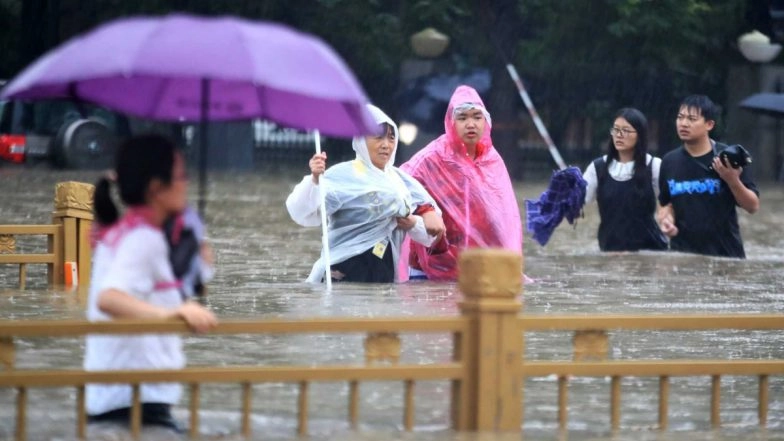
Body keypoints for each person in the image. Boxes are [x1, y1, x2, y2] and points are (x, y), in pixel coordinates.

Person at [85, 134, 218, 432]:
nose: (186, 183)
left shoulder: (131, 232)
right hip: (133, 403)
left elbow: (183, 283)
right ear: (157, 187)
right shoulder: (143, 240)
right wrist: (171, 314)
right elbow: (109, 298)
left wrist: (198, 243)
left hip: (127, 396)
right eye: (181, 176)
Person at [286, 104, 445, 283]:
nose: (386, 145)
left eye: (391, 138)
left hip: (383, 268)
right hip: (344, 268)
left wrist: (414, 222)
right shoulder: (341, 175)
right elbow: (302, 212)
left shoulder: (400, 180)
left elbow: (430, 234)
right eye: (378, 137)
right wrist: (314, 180)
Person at [401, 85, 522, 280]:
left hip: (477, 267)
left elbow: (505, 216)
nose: (471, 124)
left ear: (486, 122)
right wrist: (426, 210)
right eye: (463, 118)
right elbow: (400, 182)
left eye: (476, 117)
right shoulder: (434, 157)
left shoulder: (492, 161)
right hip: (430, 267)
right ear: (451, 122)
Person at [657, 95, 760, 258]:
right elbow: (665, 203)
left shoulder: (728, 158)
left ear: (709, 124)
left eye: (692, 119)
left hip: (726, 256)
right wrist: (666, 220)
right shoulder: (669, 161)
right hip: (683, 256)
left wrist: (732, 180)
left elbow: (752, 206)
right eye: (680, 117)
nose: (683, 123)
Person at [582, 107, 668, 252]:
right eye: (616, 129)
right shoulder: (597, 168)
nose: (619, 135)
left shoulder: (654, 165)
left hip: (649, 252)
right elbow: (580, 200)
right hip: (609, 249)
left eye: (626, 131)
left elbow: (670, 201)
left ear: (640, 135)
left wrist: (666, 218)